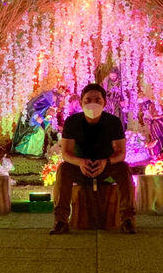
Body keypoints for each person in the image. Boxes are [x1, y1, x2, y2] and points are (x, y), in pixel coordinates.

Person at [50, 82, 136, 235]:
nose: (92, 104)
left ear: (104, 103)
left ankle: (127, 219)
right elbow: (66, 152)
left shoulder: (113, 122)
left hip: (106, 166)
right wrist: (80, 162)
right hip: (79, 167)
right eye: (88, 100)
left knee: (123, 168)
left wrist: (106, 162)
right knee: (64, 169)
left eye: (98, 100)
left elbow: (121, 153)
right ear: (81, 102)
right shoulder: (72, 122)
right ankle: (61, 220)